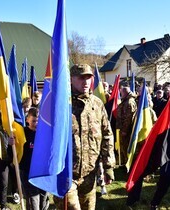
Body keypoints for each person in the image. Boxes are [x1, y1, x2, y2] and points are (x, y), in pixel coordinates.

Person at [53, 64, 116, 210]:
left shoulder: (97, 104)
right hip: (66, 174)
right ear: (71, 79)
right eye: (81, 78)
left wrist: (108, 166)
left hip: (89, 173)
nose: (86, 82)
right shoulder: (60, 103)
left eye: (89, 77)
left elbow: (107, 134)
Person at [20, 107, 49, 210]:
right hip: (28, 171)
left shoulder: (45, 132)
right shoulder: (22, 133)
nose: (36, 123)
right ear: (27, 119)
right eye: (33, 121)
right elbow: (13, 152)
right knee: (33, 200)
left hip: (42, 171)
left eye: (38, 121)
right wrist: (11, 144)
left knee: (43, 198)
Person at [116, 80, 137, 165]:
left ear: (125, 93)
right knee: (123, 147)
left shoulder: (129, 103)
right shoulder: (125, 101)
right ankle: (125, 162)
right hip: (123, 129)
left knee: (126, 146)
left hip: (126, 130)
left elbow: (128, 118)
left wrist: (125, 130)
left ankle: (128, 164)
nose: (121, 95)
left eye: (121, 93)